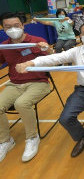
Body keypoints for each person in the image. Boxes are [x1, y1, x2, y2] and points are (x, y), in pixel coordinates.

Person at [15, 22, 84, 163]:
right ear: (80, 36)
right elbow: (53, 58)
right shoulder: (75, 51)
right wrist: (30, 63)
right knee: (65, 118)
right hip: (82, 90)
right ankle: (83, 136)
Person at [0, 12, 53, 163]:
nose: (13, 29)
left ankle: (32, 137)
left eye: (16, 26)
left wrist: (47, 49)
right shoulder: (4, 46)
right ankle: (5, 140)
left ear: (23, 25)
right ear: (3, 28)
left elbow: (52, 59)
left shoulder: (36, 41)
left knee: (21, 103)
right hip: (14, 84)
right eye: (8, 27)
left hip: (38, 82)